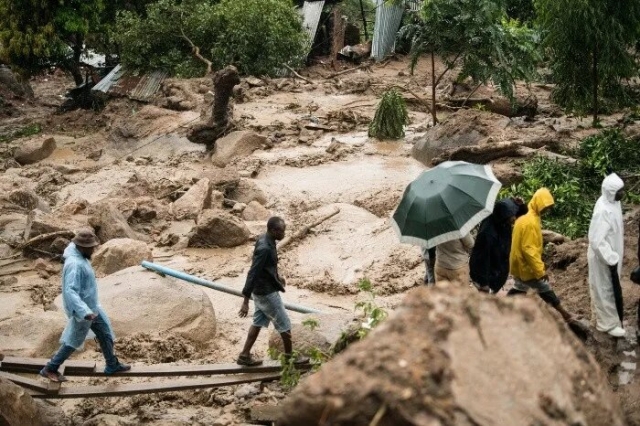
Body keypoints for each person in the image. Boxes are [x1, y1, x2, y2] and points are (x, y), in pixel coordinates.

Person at [40, 229, 130, 382]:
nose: (93, 250)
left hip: (92, 306)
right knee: (73, 341)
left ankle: (111, 364)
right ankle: (50, 368)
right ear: (81, 247)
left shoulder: (79, 255)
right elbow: (70, 291)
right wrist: (84, 311)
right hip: (83, 310)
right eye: (91, 247)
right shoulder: (75, 264)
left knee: (105, 332)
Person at [237, 217, 309, 366]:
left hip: (262, 290)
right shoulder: (265, 248)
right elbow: (253, 272)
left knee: (257, 323)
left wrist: (277, 277)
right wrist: (245, 301)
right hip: (266, 293)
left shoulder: (266, 239)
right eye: (282, 231)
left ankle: (244, 355)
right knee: (285, 323)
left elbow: (266, 267)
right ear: (273, 230)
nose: (284, 234)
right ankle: (290, 357)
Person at [507, 188, 574, 323]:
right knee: (544, 287)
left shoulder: (527, 217)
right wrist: (539, 270)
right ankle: (565, 314)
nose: (546, 210)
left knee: (520, 287)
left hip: (518, 261)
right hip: (525, 264)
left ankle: (501, 306)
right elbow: (529, 249)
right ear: (538, 203)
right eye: (545, 207)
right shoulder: (530, 222)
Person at [588, 173, 626, 337]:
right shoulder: (603, 211)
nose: (622, 194)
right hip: (603, 257)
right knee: (605, 289)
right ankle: (607, 324)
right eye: (619, 191)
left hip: (612, 254)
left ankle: (606, 318)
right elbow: (596, 240)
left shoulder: (613, 203)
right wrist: (610, 258)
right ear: (611, 192)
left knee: (610, 287)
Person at [470, 199, 519, 294]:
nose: (514, 218)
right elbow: (481, 259)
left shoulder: (503, 222)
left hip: (497, 270)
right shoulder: (487, 234)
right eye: (512, 215)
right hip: (487, 277)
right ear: (504, 215)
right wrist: (484, 283)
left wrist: (520, 205)